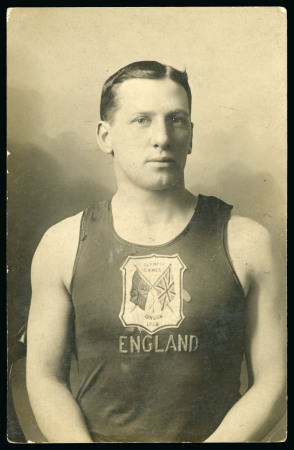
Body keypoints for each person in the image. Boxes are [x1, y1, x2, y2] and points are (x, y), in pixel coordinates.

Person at [26, 61, 286, 443]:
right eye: (142, 120)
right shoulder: (61, 244)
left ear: (192, 135)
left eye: (176, 120)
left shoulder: (247, 242)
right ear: (104, 136)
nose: (162, 137)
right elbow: (44, 378)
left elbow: (274, 381)